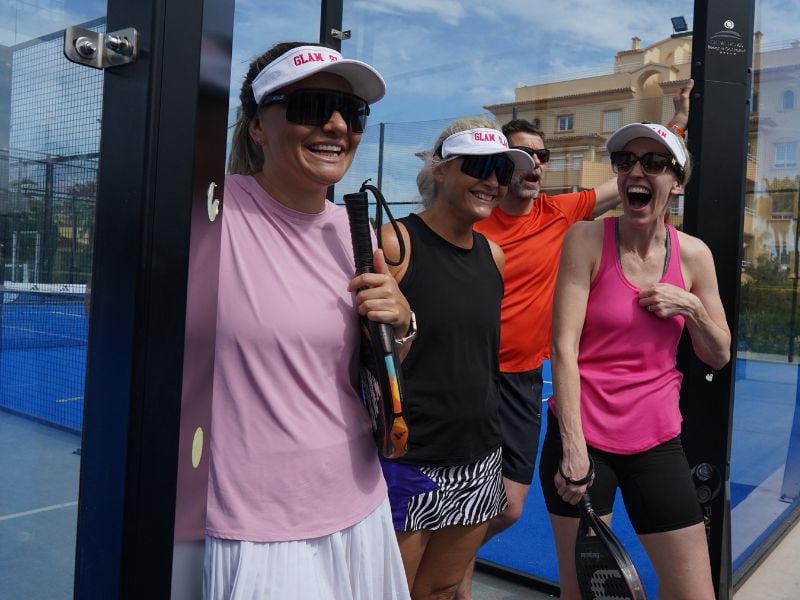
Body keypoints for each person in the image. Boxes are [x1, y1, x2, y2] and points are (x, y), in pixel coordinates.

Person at [456, 82, 694, 599]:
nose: (535, 165)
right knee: (457, 498)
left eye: (542, 155)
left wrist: (677, 120)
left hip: (520, 380)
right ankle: (446, 574)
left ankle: (449, 560)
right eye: (521, 155)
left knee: (510, 507)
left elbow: (645, 173)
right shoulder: (475, 220)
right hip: (466, 376)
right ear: (500, 164)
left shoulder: (562, 214)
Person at [203, 42, 412, 599]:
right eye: (311, 105)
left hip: (359, 506)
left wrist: (402, 325)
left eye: (353, 112)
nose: (338, 124)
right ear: (257, 127)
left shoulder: (357, 233)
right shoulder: (210, 213)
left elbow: (370, 370)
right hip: (255, 526)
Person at [541, 122, 731, 599]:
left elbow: (719, 353)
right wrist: (573, 446)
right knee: (583, 592)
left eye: (653, 162)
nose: (635, 172)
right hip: (585, 440)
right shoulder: (586, 240)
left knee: (695, 593)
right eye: (625, 162)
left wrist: (689, 306)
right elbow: (563, 347)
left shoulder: (694, 256)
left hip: (656, 440)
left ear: (677, 180)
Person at [378, 117, 535, 599]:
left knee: (444, 589)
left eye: (501, 172)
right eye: (478, 167)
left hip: (478, 453)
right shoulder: (395, 244)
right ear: (441, 170)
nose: (491, 182)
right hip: (409, 456)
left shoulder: (494, 255)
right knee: (391, 591)